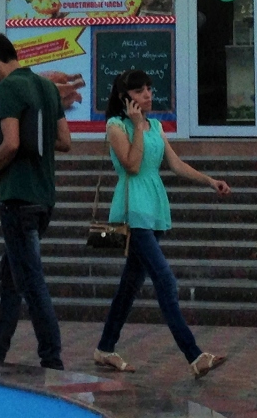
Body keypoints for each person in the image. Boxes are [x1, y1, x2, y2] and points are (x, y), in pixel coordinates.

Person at [93, 69, 231, 379]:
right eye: (139, 91)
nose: (147, 95)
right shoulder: (116, 126)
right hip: (132, 211)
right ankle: (194, 355)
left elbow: (175, 164)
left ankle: (105, 347)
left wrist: (210, 181)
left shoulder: (155, 126)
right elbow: (132, 165)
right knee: (165, 280)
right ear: (125, 98)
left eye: (149, 89)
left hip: (153, 208)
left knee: (129, 285)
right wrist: (136, 126)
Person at [0, 32, 71, 370]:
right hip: (45, 197)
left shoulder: (8, 88)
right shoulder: (47, 87)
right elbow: (65, 141)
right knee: (12, 274)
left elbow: (11, 143)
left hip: (17, 196)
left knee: (30, 281)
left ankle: (52, 356)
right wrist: (38, 135)